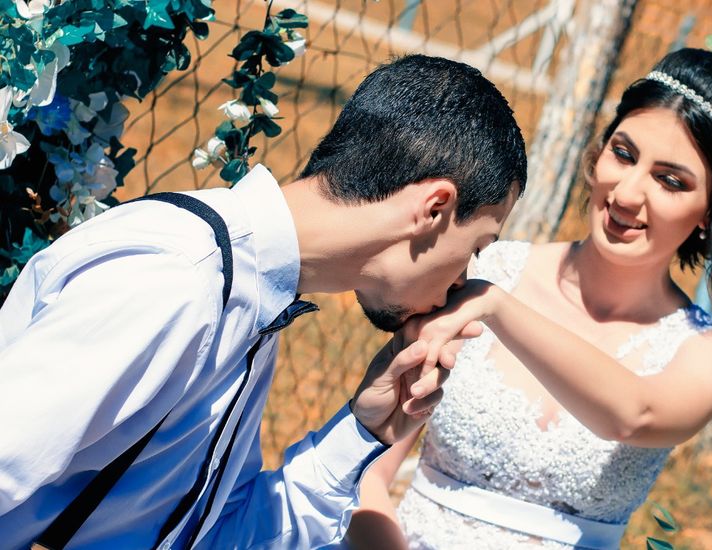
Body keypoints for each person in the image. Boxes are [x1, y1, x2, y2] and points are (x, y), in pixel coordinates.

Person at [0, 54, 526, 549]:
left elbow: (214, 534)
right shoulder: (180, 279)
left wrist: (364, 430)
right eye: (477, 247)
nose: (464, 279)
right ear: (435, 208)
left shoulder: (255, 298)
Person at [345, 47, 712, 549]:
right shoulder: (481, 270)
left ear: (709, 211)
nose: (628, 193)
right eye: (624, 154)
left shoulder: (708, 354)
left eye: (670, 181)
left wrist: (499, 307)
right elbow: (365, 472)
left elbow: (634, 415)